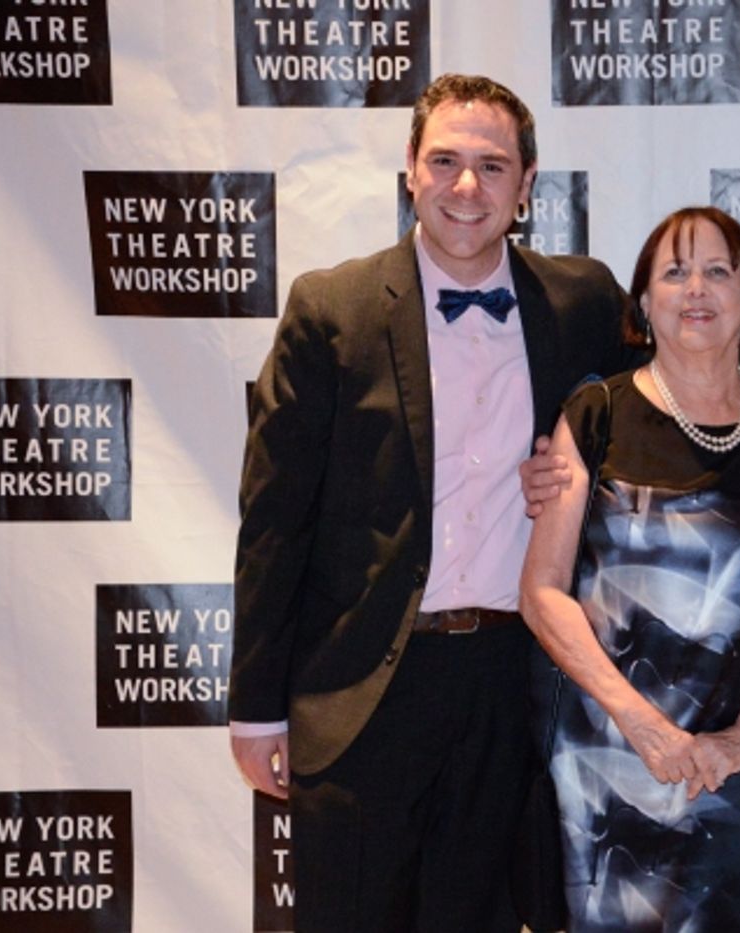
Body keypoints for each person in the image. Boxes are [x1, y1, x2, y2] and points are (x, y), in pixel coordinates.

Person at [227, 73, 632, 932]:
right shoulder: (329, 309)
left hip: (512, 691)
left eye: (492, 166)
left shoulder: (584, 303)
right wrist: (256, 704)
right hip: (365, 684)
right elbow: (273, 520)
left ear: (527, 186)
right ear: (409, 170)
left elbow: (647, 455)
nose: (465, 187)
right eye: (444, 160)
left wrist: (570, 487)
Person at [518, 206, 740, 932]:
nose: (697, 288)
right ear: (644, 304)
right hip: (615, 771)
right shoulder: (596, 413)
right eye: (675, 271)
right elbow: (541, 592)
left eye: (718, 271)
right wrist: (643, 724)